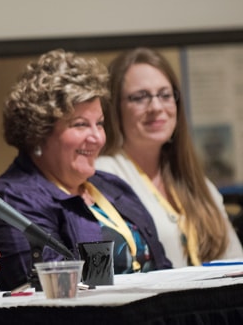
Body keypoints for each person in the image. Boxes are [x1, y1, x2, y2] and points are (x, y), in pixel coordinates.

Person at [0, 49, 171, 291]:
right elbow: (58, 294)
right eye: (80, 125)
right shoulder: (12, 202)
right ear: (38, 133)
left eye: (99, 124)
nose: (97, 138)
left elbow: (163, 267)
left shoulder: (112, 186)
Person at [96, 47, 243, 267]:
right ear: (115, 108)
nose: (156, 107)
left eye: (165, 95)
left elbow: (235, 261)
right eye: (140, 97)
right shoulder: (102, 176)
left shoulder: (199, 184)